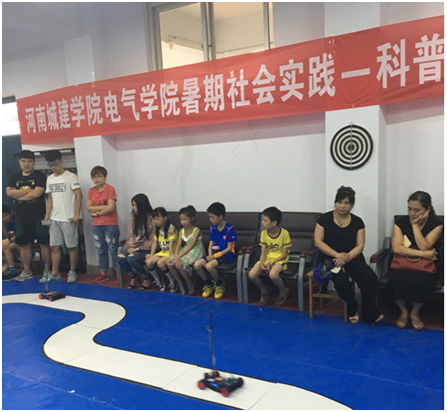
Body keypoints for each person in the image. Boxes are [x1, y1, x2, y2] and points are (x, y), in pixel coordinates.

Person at [314, 186, 383, 325]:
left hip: (352, 257)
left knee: (369, 279)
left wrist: (346, 258)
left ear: (352, 205)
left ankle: (369, 313)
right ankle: (352, 306)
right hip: (330, 259)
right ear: (335, 202)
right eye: (339, 202)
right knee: (341, 282)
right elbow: (318, 242)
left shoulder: (358, 222)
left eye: (347, 203)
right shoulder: (324, 219)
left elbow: (360, 246)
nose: (342, 206)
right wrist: (337, 255)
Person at [389, 191, 443, 331]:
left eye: (416, 210)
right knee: (395, 279)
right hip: (401, 263)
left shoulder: (436, 224)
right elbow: (396, 248)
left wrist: (415, 226)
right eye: (409, 208)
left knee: (420, 280)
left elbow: (424, 245)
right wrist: (423, 254)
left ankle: (414, 313)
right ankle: (403, 312)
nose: (412, 213)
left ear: (428, 209)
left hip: (426, 266)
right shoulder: (400, 222)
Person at [6, 150, 51, 282]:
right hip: (21, 216)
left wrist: (18, 194)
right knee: (24, 245)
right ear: (19, 163)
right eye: (23, 161)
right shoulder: (14, 177)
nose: (26, 164)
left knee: (43, 244)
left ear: (34, 162)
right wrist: (28, 190)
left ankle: (46, 269)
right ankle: (27, 271)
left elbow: (36, 194)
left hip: (38, 216)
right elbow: (9, 193)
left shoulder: (40, 176)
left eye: (29, 161)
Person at [42, 150, 83, 284]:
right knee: (54, 247)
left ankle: (72, 272)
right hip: (55, 219)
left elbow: (79, 195)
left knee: (71, 247)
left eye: (55, 164)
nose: (53, 167)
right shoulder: (50, 178)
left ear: (61, 162)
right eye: (50, 165)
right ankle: (55, 273)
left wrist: (77, 214)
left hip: (68, 218)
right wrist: (47, 215)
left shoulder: (70, 176)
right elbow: (50, 198)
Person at [249, 206, 291, 307]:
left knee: (273, 275)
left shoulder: (284, 233)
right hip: (267, 259)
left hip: (280, 259)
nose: (262, 223)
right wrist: (262, 262)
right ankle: (264, 290)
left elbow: (284, 254)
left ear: (274, 223)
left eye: (265, 220)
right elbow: (263, 253)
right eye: (262, 220)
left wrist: (272, 263)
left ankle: (283, 291)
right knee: (252, 275)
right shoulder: (264, 234)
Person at [194, 202, 237, 300]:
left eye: (212, 217)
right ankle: (209, 283)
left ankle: (219, 283)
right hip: (214, 254)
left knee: (209, 266)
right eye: (209, 217)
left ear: (220, 216)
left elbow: (229, 248)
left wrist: (213, 257)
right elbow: (210, 244)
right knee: (197, 265)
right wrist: (210, 256)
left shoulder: (230, 228)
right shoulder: (212, 227)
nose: (210, 219)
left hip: (227, 255)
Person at [86, 166, 120, 284]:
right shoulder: (91, 191)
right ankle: (103, 272)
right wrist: (103, 208)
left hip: (110, 224)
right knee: (101, 250)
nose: (97, 179)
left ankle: (119, 273)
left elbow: (111, 208)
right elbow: (88, 207)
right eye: (94, 177)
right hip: (96, 225)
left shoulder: (110, 189)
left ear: (105, 177)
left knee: (113, 249)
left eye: (100, 176)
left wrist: (97, 213)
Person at [117, 194, 155, 290]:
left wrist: (137, 248)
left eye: (136, 205)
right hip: (135, 247)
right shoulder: (133, 217)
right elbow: (130, 234)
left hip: (147, 249)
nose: (134, 208)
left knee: (131, 258)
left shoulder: (152, 218)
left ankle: (146, 277)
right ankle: (133, 276)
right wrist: (132, 244)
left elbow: (152, 240)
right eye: (133, 205)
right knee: (120, 257)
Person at [169, 205, 205, 295]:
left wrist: (179, 256)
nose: (183, 222)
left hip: (196, 251)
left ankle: (189, 283)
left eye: (185, 219)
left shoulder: (196, 230)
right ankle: (180, 283)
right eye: (181, 219)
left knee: (178, 264)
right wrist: (176, 256)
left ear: (192, 218)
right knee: (169, 263)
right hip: (185, 250)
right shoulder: (181, 230)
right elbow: (178, 245)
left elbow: (192, 246)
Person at [145, 207, 178, 292]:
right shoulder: (157, 229)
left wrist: (171, 258)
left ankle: (173, 280)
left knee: (160, 263)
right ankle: (158, 280)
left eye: (157, 219)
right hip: (163, 252)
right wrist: (151, 255)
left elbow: (171, 245)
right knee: (149, 262)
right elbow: (154, 243)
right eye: (154, 219)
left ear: (164, 218)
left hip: (172, 252)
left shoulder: (171, 228)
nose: (155, 221)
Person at [2, 205, 19, 281]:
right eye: (2, 217)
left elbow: (18, 233)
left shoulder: (17, 219)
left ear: (11, 212)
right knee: (2, 245)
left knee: (6, 248)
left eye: (6, 215)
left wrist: (9, 241)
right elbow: (8, 236)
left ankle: (12, 271)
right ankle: (10, 264)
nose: (5, 218)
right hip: (14, 240)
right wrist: (3, 227)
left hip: (23, 239)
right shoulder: (8, 223)